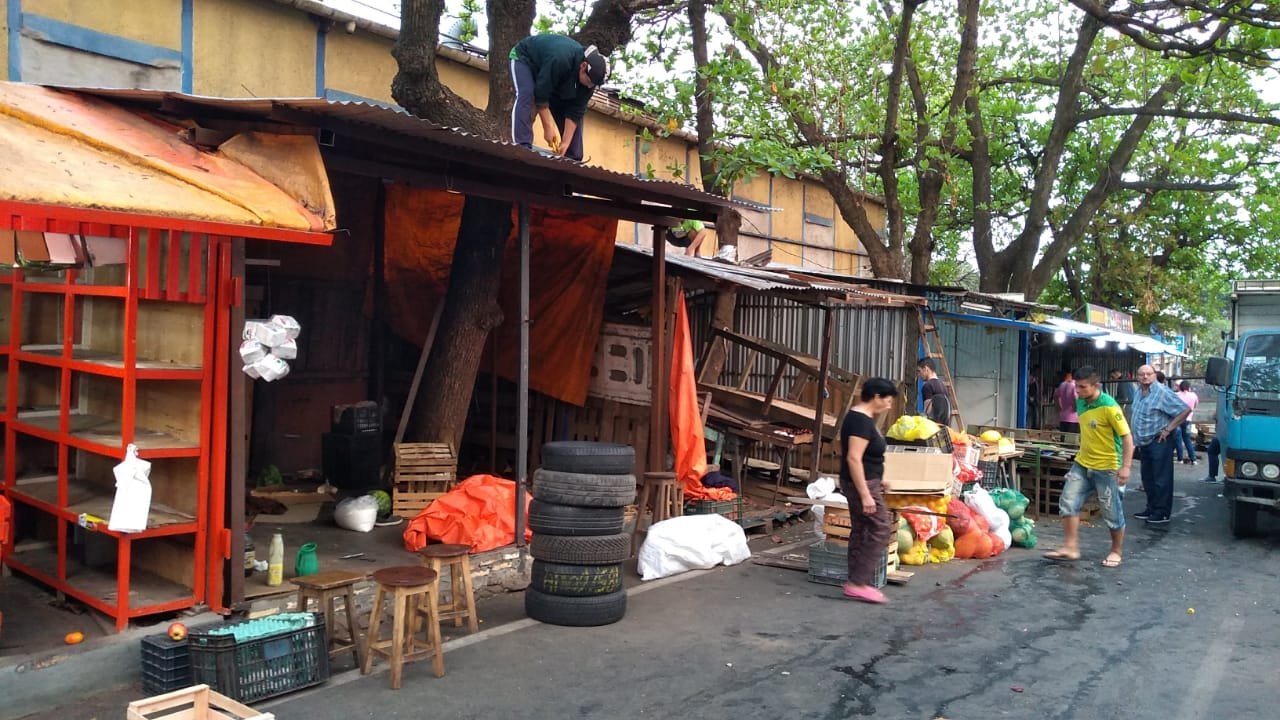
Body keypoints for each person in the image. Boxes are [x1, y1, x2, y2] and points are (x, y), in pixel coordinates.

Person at [1042, 365, 1133, 568]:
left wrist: (1126, 467)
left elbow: (1127, 438)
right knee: (1067, 502)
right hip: (1082, 463)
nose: (1078, 392)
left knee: (1111, 512)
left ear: (1095, 386)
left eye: (1083, 387)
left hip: (1108, 467)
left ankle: (1116, 551)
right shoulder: (1081, 402)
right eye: (1076, 387)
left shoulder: (1110, 407)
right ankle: (1070, 548)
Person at [837, 377, 900, 604]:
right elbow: (853, 459)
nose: (889, 405)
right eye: (888, 400)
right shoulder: (860, 422)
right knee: (880, 528)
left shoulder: (862, 418)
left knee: (862, 529)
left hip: (866, 481)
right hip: (860, 485)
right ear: (876, 397)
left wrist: (877, 480)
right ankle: (858, 582)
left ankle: (855, 580)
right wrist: (865, 493)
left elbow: (865, 457)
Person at [509, 34, 607, 161]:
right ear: (583, 66)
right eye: (590, 81)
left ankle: (572, 159)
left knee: (567, 104)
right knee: (527, 94)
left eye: (594, 84)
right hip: (526, 60)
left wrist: (565, 143)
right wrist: (548, 128)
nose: (590, 86)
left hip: (552, 76)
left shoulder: (590, 82)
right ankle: (522, 146)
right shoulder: (560, 59)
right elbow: (541, 95)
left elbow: (575, 112)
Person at [1130, 364, 1192, 525]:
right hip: (1144, 441)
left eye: (1148, 374)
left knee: (1161, 478)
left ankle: (1162, 512)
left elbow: (1184, 410)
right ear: (1137, 376)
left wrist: (1168, 429)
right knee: (1148, 477)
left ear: (1154, 375)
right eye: (1141, 374)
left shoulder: (1162, 392)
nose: (1145, 377)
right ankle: (1151, 508)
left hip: (1160, 441)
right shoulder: (1139, 391)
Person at [916, 358, 951, 426]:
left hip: (932, 427)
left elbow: (927, 411)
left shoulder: (927, 386)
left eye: (919, 371)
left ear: (926, 369)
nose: (918, 375)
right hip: (943, 426)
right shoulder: (943, 386)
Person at [1174, 380, 1199, 465]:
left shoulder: (1176, 395)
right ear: (1189, 387)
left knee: (1178, 440)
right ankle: (1193, 459)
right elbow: (1195, 405)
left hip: (1177, 419)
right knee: (1187, 439)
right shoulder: (1193, 395)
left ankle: (1180, 459)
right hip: (1188, 420)